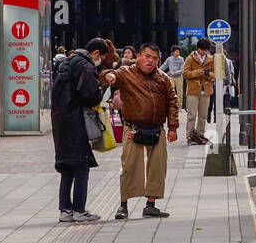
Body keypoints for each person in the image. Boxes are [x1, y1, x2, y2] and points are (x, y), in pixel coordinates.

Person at [103, 42, 178, 219]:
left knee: (158, 168)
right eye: (147, 56)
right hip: (133, 128)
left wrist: (173, 127)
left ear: (158, 60)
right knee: (129, 166)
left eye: (154, 58)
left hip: (157, 129)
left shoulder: (163, 78)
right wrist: (110, 76)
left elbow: (172, 102)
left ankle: (151, 205)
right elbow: (110, 74)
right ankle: (124, 205)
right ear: (139, 57)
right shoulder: (126, 73)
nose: (150, 61)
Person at [51, 38, 111, 223]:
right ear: (95, 53)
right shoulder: (86, 66)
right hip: (76, 121)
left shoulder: (65, 62)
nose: (100, 61)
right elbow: (90, 95)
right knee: (81, 165)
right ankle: (79, 210)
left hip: (60, 120)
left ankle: (65, 210)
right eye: (102, 57)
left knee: (67, 166)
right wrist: (100, 87)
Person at [181, 38, 214, 145]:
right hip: (193, 91)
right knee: (191, 115)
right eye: (202, 50)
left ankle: (200, 134)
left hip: (206, 90)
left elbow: (215, 74)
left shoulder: (211, 59)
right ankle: (190, 136)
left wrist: (207, 74)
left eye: (206, 50)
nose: (204, 52)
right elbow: (185, 74)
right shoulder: (190, 59)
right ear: (198, 49)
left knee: (203, 116)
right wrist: (197, 73)